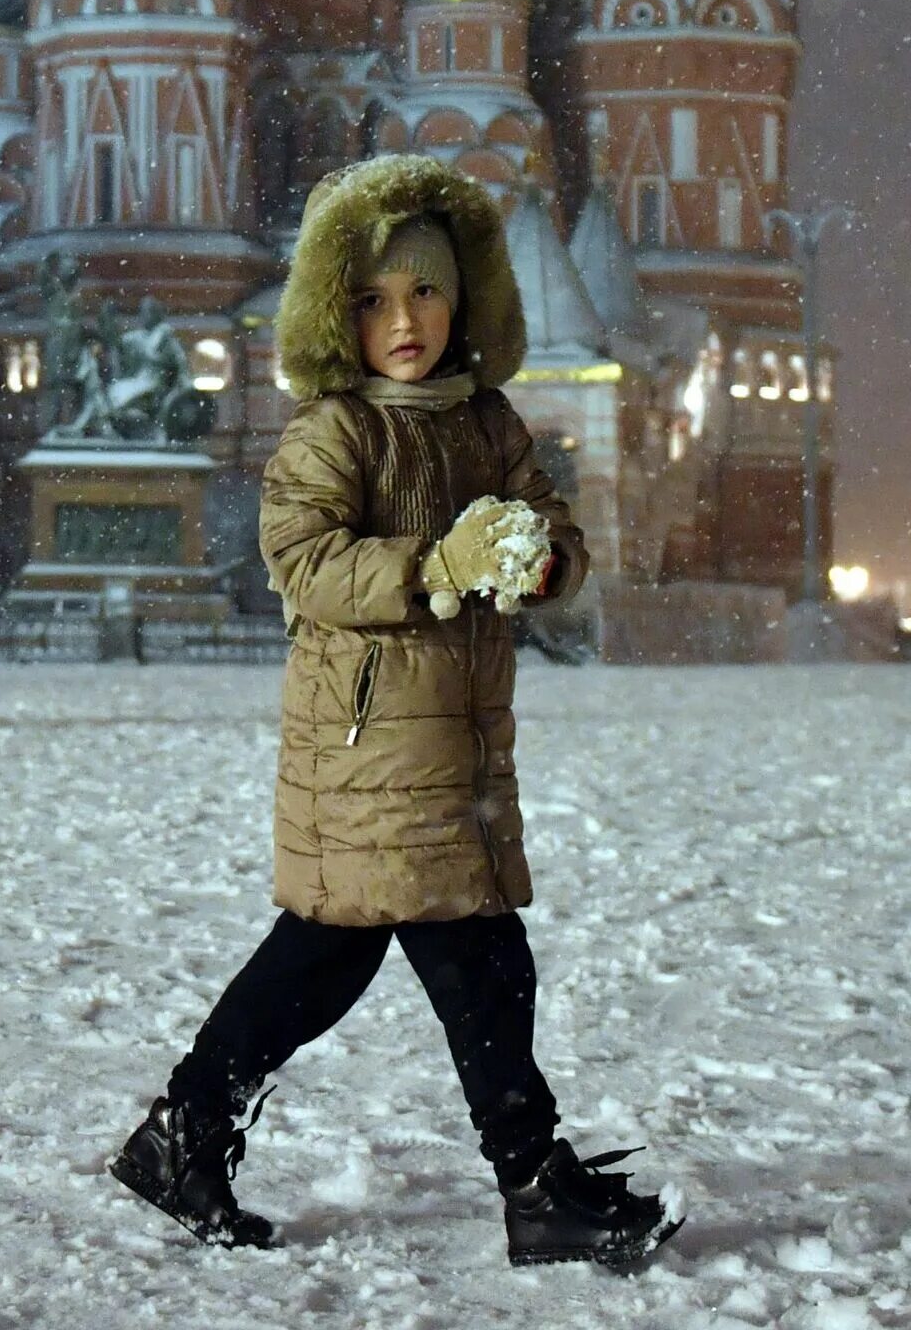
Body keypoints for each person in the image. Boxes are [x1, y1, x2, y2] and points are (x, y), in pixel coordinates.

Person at [108, 155, 679, 1268]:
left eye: (424, 291)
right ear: (340, 315)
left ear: (462, 298)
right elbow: (305, 562)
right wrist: (435, 563)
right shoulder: (333, 432)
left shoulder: (487, 421)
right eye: (373, 300)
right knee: (474, 961)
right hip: (368, 742)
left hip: (453, 740)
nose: (403, 320)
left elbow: (554, 521)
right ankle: (531, 1183)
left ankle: (184, 1134)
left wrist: (540, 560)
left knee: (335, 957)